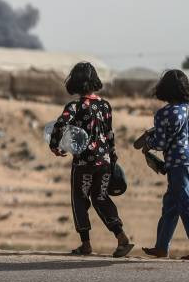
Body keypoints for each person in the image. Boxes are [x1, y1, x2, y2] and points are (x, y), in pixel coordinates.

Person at [49, 62, 134, 258]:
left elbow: (61, 124)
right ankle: (121, 237)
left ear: (75, 82)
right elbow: (110, 134)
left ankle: (86, 244)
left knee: (79, 199)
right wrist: (112, 157)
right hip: (104, 162)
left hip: (83, 163)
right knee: (101, 197)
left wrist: (55, 146)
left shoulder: (75, 107)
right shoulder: (105, 106)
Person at [140, 69, 189, 261]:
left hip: (177, 163)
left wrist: (147, 145)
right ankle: (161, 247)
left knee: (186, 205)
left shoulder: (164, 113)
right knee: (171, 205)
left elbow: (161, 142)